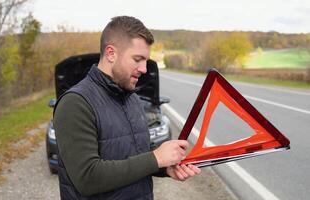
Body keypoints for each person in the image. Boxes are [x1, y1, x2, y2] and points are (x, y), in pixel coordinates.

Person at [53, 16, 201, 200]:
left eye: (146, 60)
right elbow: (87, 178)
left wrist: (164, 168)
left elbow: (133, 158)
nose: (144, 69)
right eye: (137, 59)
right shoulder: (76, 103)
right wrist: (156, 158)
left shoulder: (133, 100)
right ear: (111, 53)